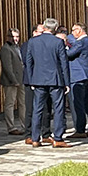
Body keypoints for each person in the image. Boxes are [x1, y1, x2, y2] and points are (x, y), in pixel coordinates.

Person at [22, 19, 71, 147]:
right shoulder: (58, 42)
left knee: (37, 109)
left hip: (38, 80)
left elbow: (28, 62)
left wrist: (31, 80)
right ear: (55, 29)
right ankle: (58, 138)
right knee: (58, 109)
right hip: (55, 80)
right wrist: (67, 82)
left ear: (44, 27)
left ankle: (35, 138)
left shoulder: (32, 42)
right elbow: (64, 63)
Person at [64, 21, 88, 138]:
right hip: (87, 75)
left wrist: (64, 46)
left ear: (79, 30)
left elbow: (68, 54)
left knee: (78, 104)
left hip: (78, 76)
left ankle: (80, 129)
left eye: (73, 30)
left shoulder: (81, 42)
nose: (72, 32)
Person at [0, 27, 26, 135]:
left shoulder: (18, 47)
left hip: (21, 79)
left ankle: (25, 125)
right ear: (7, 37)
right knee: (10, 103)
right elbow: (7, 67)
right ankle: (11, 127)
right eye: (12, 36)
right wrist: (14, 80)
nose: (15, 39)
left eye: (17, 36)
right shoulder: (6, 49)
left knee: (23, 103)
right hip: (11, 81)